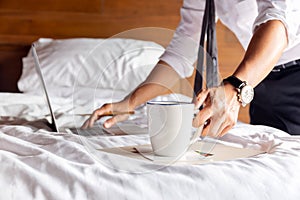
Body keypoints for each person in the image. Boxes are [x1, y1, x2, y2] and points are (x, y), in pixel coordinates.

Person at [82, 0, 300, 136]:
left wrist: (235, 87)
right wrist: (129, 103)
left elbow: (278, 22)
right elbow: (182, 50)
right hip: (259, 81)